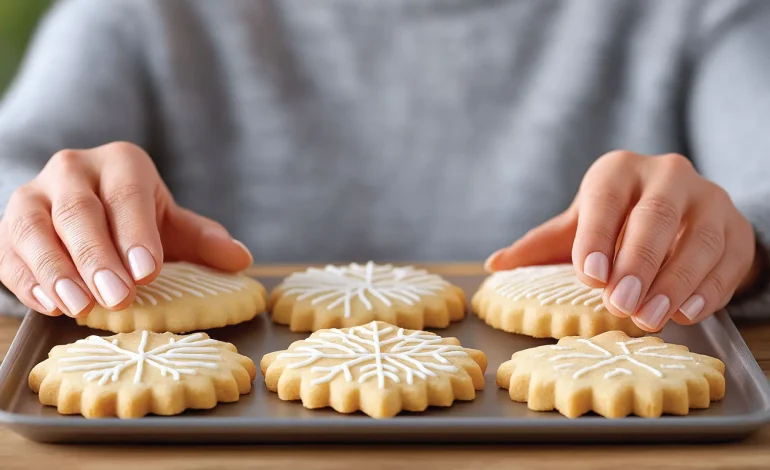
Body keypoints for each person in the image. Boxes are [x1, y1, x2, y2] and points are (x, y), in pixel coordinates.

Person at [0, 0, 768, 333]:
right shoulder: (135, 15)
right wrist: (39, 224)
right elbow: (15, 170)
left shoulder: (698, 12)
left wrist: (741, 241)